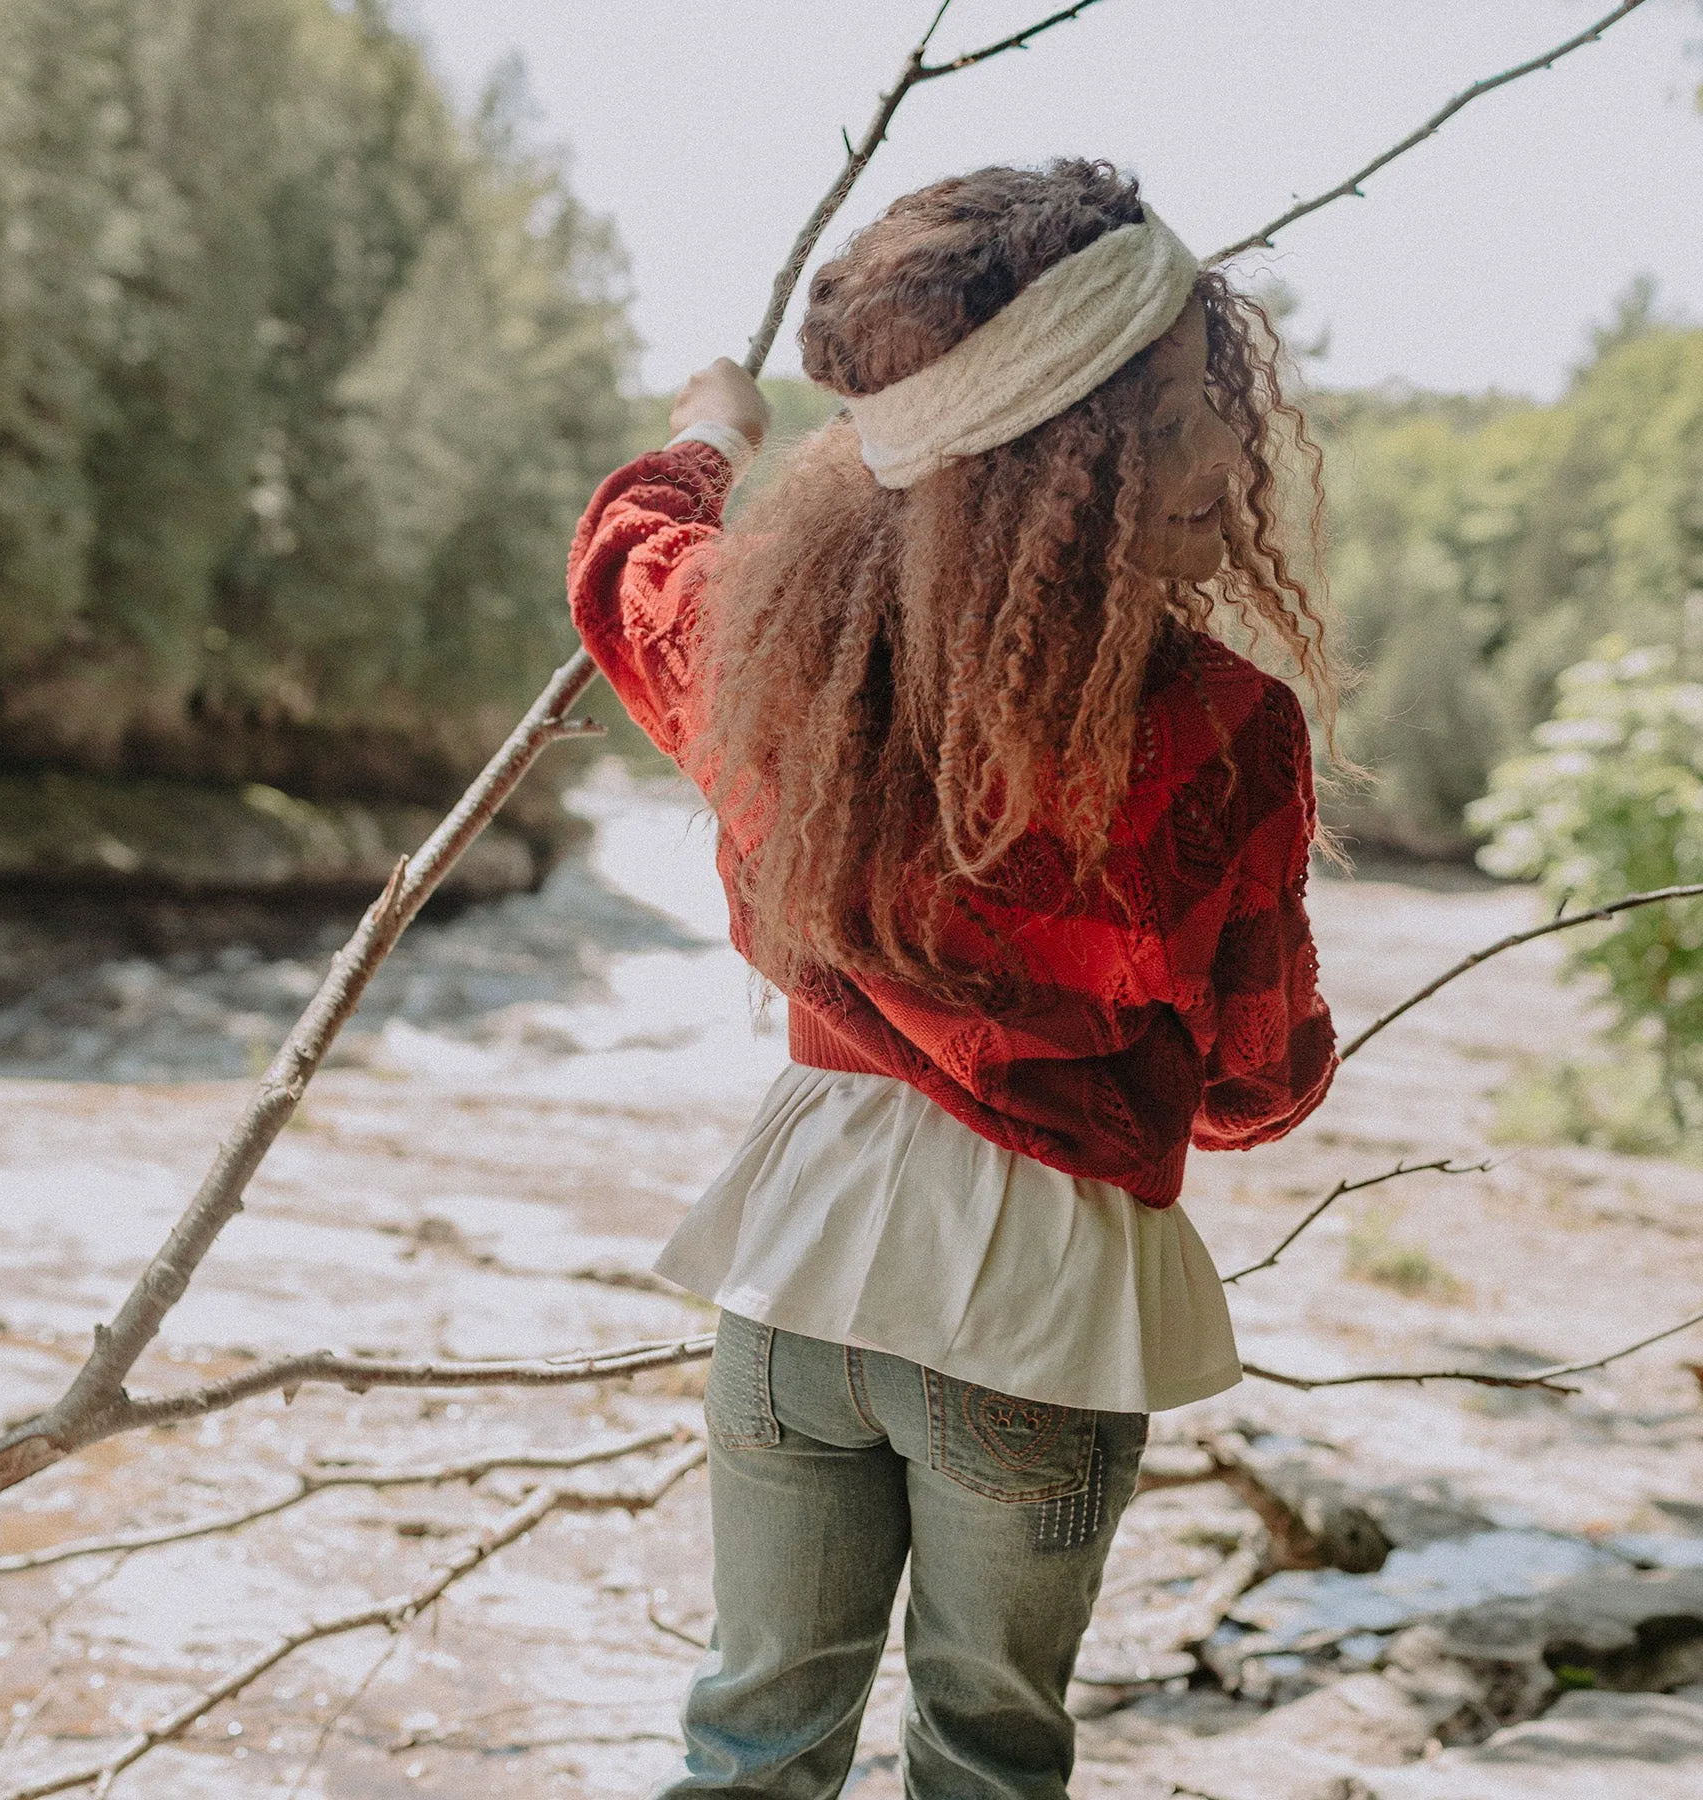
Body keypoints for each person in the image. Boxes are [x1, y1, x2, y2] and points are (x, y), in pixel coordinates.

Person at [566, 160, 1338, 1800]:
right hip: (1037, 1327)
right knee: (987, 1762)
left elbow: (632, 562)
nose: (1232, 451)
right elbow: (1264, 1086)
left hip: (794, 1281)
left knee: (751, 1744)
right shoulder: (1214, 734)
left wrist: (714, 429)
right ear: (1085, 462)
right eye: (1198, 407)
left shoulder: (788, 660)